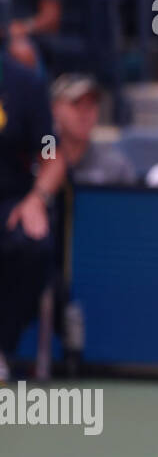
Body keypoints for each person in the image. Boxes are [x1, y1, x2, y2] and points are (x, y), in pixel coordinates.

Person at [0, 52, 62, 381]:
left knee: (33, 246)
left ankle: (2, 344)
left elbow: (51, 155)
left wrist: (37, 199)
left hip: (10, 201)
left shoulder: (25, 84)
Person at [49, 74, 136, 185]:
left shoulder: (115, 167)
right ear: (54, 108)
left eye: (91, 104)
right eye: (76, 103)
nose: (84, 112)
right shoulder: (40, 160)